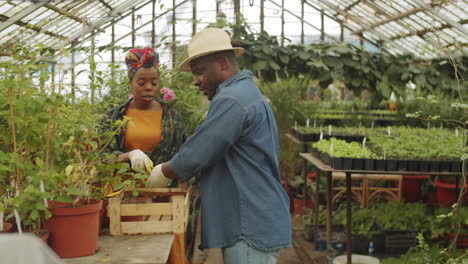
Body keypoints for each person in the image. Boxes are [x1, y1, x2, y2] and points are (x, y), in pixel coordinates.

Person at [148, 28, 292, 264]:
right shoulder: (245, 93)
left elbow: (198, 152)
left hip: (250, 223)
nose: (196, 81)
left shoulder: (233, 99)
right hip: (256, 216)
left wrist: (162, 172)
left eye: (200, 73)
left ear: (223, 63)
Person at [102, 47, 187, 264]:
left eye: (154, 83)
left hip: (163, 199)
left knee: (169, 251)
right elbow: (101, 156)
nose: (149, 88)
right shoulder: (115, 118)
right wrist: (129, 155)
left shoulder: (172, 118)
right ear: (131, 82)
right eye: (142, 83)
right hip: (127, 200)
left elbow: (184, 156)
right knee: (132, 253)